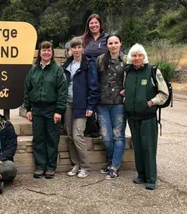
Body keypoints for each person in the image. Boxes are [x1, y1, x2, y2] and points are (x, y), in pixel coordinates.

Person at [124, 43, 169, 190]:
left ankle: (151, 178)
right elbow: (126, 89)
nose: (137, 58)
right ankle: (141, 174)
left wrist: (151, 102)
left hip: (148, 117)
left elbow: (164, 93)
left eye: (139, 55)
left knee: (148, 147)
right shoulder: (128, 72)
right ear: (131, 57)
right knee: (137, 147)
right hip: (133, 116)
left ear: (144, 56)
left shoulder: (152, 71)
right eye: (134, 55)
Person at [24, 41, 67, 179]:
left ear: (52, 53)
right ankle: (40, 166)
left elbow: (62, 92)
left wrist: (59, 111)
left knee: (52, 139)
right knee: (38, 139)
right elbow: (27, 90)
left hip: (52, 109)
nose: (46, 52)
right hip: (37, 110)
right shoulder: (33, 71)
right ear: (40, 53)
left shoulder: (57, 70)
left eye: (49, 50)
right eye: (44, 50)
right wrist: (28, 109)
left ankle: (50, 167)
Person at [62, 37, 99, 178]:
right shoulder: (67, 64)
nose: (76, 50)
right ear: (70, 49)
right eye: (74, 47)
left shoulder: (89, 64)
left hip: (81, 105)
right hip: (68, 104)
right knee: (70, 136)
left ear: (82, 48)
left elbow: (94, 86)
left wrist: (91, 105)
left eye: (79, 47)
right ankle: (76, 164)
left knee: (78, 136)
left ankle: (86, 166)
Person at [96, 34, 126, 179]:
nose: (113, 45)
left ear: (120, 44)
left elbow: (132, 79)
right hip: (102, 104)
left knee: (118, 136)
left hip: (118, 104)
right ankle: (111, 162)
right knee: (106, 137)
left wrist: (128, 90)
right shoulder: (101, 60)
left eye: (116, 42)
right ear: (106, 45)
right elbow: (95, 80)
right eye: (110, 43)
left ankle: (114, 166)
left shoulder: (126, 61)